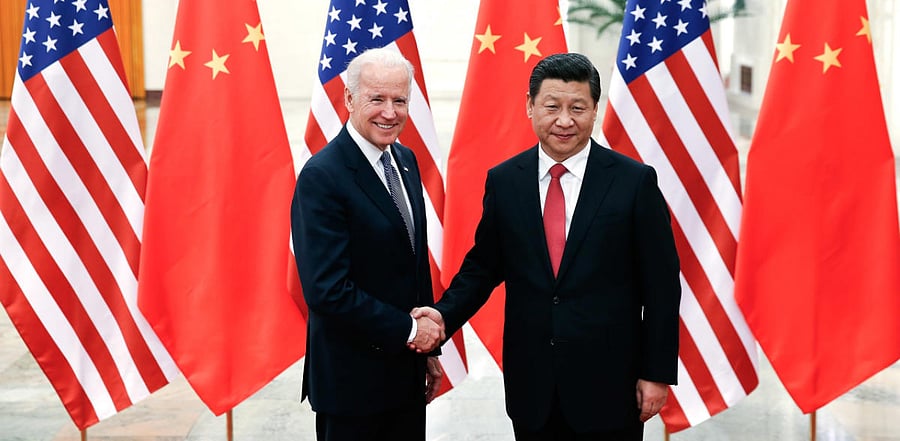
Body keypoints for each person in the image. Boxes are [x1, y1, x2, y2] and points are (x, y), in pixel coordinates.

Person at [413, 53, 682, 440]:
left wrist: (655, 374)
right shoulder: (505, 181)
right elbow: (483, 267)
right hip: (533, 386)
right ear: (530, 106)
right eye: (552, 106)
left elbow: (661, 286)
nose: (564, 120)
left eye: (578, 108)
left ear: (595, 110)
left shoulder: (633, 182)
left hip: (610, 386)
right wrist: (442, 317)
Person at [291, 48, 445, 441]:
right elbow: (327, 290)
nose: (390, 113)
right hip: (352, 388)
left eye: (400, 100)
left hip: (405, 379)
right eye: (377, 99)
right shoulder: (323, 176)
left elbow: (413, 262)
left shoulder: (406, 161)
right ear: (348, 98)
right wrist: (412, 331)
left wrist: (427, 352)